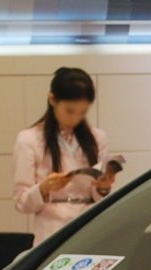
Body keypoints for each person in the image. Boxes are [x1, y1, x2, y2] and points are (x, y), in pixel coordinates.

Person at [14, 67, 114, 242]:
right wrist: (44, 188)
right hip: (52, 232)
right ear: (52, 99)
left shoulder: (97, 138)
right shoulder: (29, 139)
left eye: (82, 112)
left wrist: (103, 187)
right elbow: (21, 202)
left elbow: (100, 199)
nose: (75, 118)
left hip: (90, 227)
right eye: (69, 111)